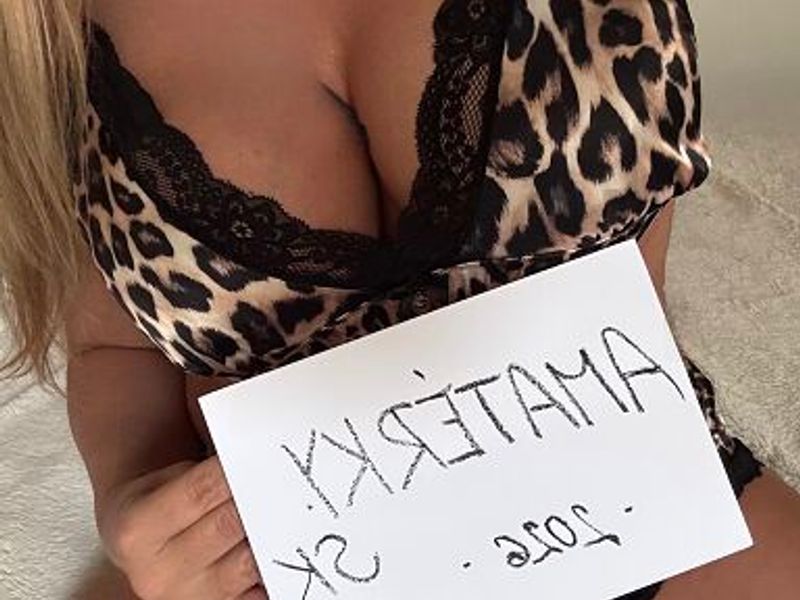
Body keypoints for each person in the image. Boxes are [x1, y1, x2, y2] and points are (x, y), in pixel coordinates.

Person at [0, 1, 798, 599]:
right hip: (301, 569)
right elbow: (113, 342)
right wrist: (130, 500)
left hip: (634, 512)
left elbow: (639, 246)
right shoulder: (41, 36)